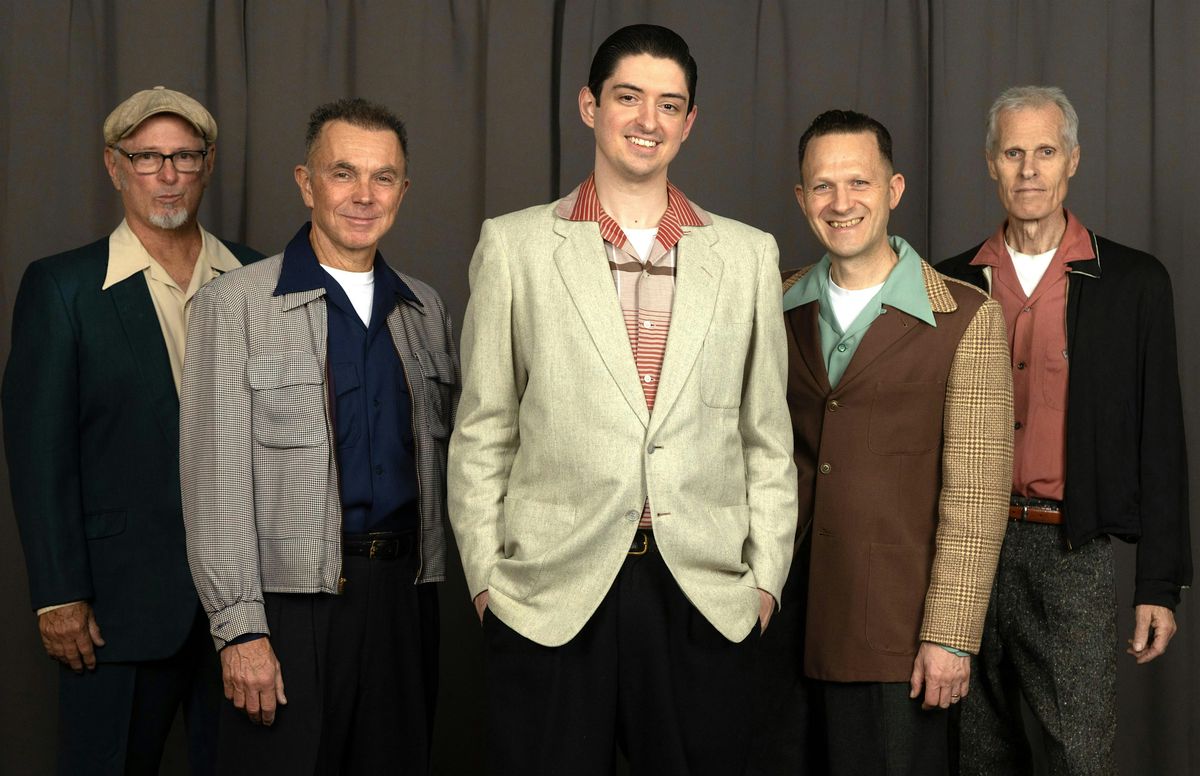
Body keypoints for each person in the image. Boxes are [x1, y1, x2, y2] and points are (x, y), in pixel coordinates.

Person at [447, 24, 796, 775]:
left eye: (669, 105)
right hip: (549, 590)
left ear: (689, 122)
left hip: (703, 591)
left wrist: (764, 579)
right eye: (628, 97)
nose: (648, 120)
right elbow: (483, 429)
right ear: (589, 106)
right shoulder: (514, 246)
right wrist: (487, 580)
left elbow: (766, 436)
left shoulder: (747, 255)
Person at [179, 97, 458, 774]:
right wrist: (239, 631)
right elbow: (213, 486)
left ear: (403, 191)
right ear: (306, 184)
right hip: (288, 607)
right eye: (343, 173)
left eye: (383, 177)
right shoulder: (234, 305)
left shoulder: (425, 309)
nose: (364, 195)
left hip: (405, 598)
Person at [2, 86, 262, 775]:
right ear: (114, 166)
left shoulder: (260, 276)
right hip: (117, 605)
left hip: (249, 609)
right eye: (147, 157)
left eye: (184, 156)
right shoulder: (63, 287)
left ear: (208, 164)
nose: (167, 175)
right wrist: (58, 593)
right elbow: (39, 453)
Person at [938, 85, 1192, 775]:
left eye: (1045, 152)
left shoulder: (1134, 282)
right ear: (990, 162)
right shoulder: (949, 283)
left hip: (1071, 548)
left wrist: (1158, 583)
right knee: (975, 754)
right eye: (1013, 153)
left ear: (1073, 160)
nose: (1029, 170)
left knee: (1079, 757)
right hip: (967, 546)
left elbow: (1161, 438)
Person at [783, 109, 1013, 775]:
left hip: (897, 633)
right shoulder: (772, 302)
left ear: (894, 189)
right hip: (778, 620)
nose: (841, 202)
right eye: (822, 186)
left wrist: (951, 635)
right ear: (801, 198)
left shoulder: (966, 317)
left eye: (859, 182)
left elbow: (976, 497)